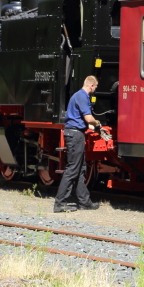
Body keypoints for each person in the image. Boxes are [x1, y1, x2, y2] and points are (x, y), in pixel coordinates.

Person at [55, 75, 100, 213]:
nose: (95, 90)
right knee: (72, 169)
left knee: (80, 170)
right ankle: (60, 203)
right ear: (91, 85)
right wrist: (97, 123)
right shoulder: (82, 96)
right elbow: (88, 118)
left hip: (75, 134)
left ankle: (85, 202)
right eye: (96, 87)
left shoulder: (78, 96)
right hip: (75, 135)